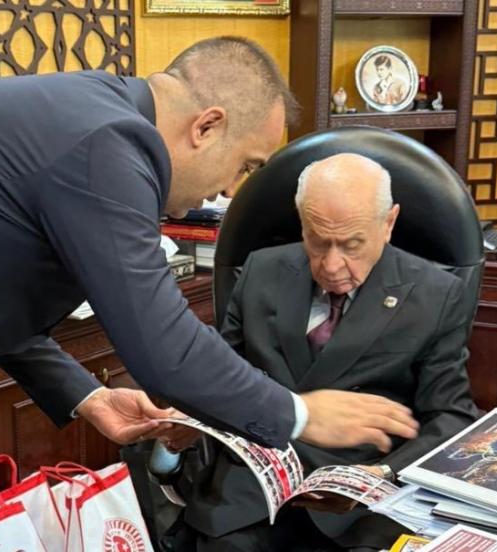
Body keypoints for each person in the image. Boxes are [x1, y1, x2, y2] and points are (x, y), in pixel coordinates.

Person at [0, 38, 418, 550]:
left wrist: (89, 396)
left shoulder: (93, 113)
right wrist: (299, 414)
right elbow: (164, 348)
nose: (229, 190)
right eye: (245, 165)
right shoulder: (110, 143)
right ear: (207, 126)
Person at [174, 153, 480, 552]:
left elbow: (451, 415)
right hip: (251, 494)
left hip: (360, 504)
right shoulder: (260, 269)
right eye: (318, 242)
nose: (332, 265)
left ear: (388, 223)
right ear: (302, 222)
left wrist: (382, 474)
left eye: (352, 245)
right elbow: (220, 376)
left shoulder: (435, 294)